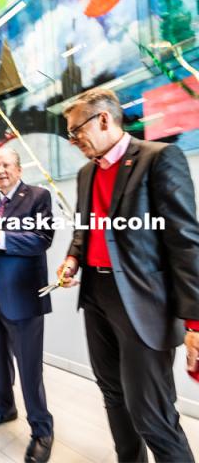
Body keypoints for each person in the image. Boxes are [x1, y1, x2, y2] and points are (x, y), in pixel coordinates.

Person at [58, 88, 199, 462]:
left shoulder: (160, 158)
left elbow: (186, 243)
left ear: (104, 119)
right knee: (112, 395)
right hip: (96, 295)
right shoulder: (87, 172)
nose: (73, 141)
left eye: (76, 132)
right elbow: (83, 229)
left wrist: (195, 324)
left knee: (152, 414)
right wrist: (74, 257)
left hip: (145, 302)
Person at [0, 147, 55, 463]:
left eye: (5, 164)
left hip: (23, 296)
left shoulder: (38, 196)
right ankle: (5, 406)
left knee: (30, 369)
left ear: (18, 168)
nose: (0, 170)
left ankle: (42, 429)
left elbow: (43, 238)